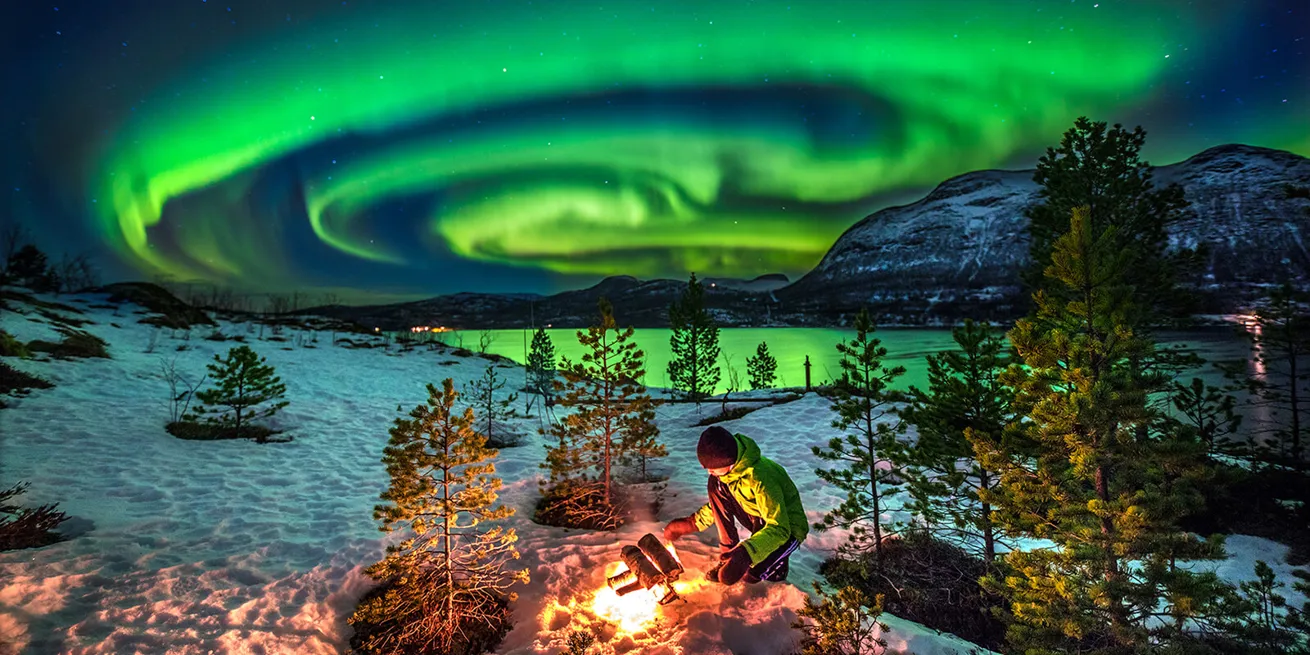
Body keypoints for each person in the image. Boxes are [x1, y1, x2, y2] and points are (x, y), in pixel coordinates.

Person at [662, 426, 807, 585]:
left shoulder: (761, 477)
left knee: (751, 576)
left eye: (712, 467)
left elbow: (780, 528)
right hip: (757, 516)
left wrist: (746, 554)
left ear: (728, 461)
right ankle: (728, 556)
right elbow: (722, 502)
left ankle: (776, 568)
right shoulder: (730, 473)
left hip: (786, 528)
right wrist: (693, 522)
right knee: (716, 483)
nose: (709, 471)